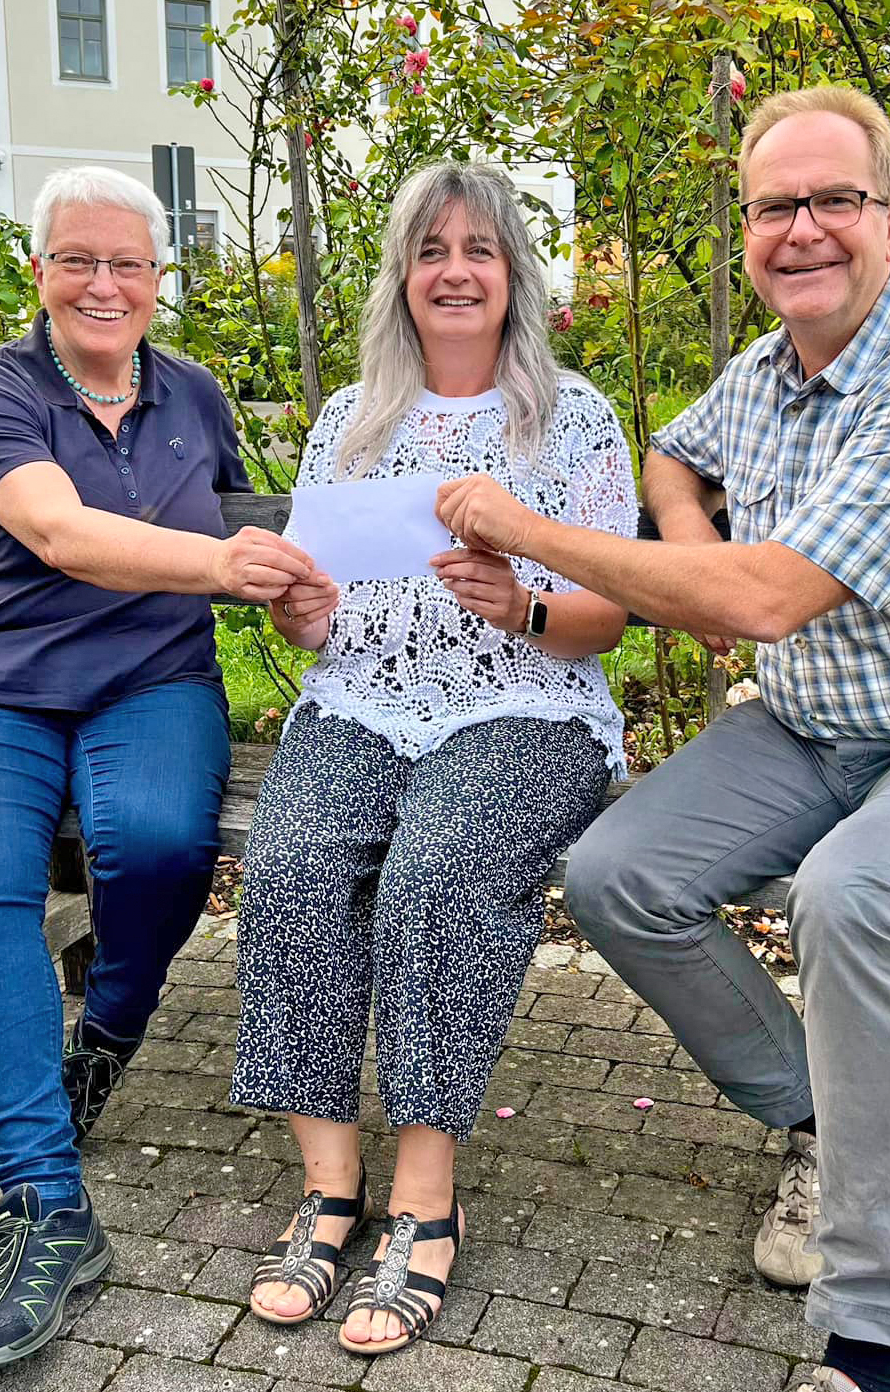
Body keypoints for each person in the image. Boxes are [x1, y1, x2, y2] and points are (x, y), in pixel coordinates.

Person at [434, 86, 890, 1392]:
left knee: (850, 898)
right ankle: (825, 1117)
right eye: (772, 206)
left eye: (832, 200)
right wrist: (691, 536)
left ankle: (873, 1341)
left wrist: (519, 529)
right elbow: (673, 459)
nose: (801, 229)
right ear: (745, 231)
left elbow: (764, 601)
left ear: (888, 220)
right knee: (616, 874)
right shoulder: (760, 375)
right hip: (810, 730)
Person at [0, 165, 313, 1374]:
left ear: (156, 279)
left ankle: (108, 1035)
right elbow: (57, 530)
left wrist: (308, 581)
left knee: (161, 844)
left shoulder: (194, 395)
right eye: (77, 260)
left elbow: (274, 522)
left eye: (126, 263)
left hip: (152, 683)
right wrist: (219, 565)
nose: (102, 284)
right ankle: (44, 1205)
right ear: (40, 272)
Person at [229, 160, 637, 1356]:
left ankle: (424, 1199)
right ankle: (327, 1188)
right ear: (401, 278)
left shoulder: (573, 418)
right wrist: (301, 616)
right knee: (292, 864)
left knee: (439, 873)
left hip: (527, 704)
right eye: (429, 251)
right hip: (362, 700)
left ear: (513, 275)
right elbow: (317, 615)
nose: (453, 272)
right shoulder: (349, 422)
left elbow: (611, 614)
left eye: (477, 250)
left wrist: (522, 604)